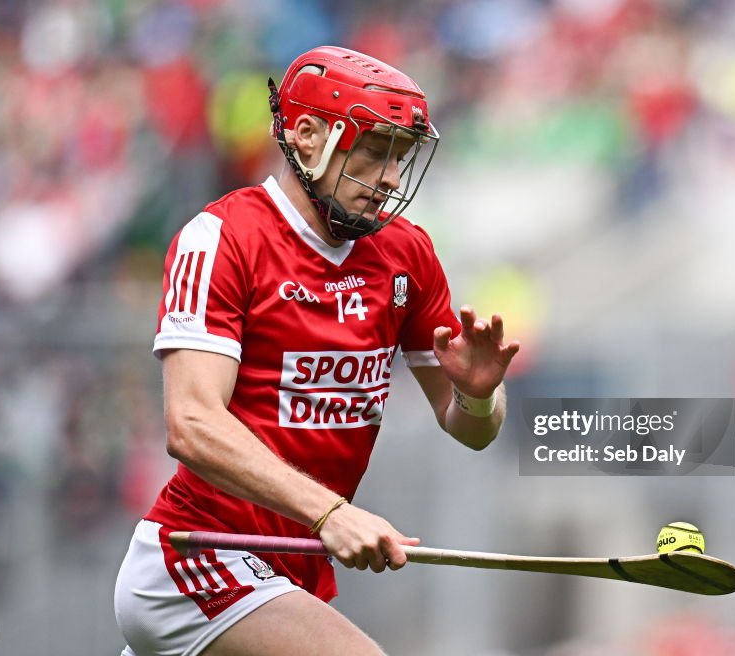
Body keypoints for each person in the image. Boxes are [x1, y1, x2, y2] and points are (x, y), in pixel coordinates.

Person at [114, 45, 520, 656]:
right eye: (375, 150)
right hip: (198, 556)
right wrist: (330, 513)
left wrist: (478, 395)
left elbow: (471, 430)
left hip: (287, 573)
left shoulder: (405, 253)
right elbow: (192, 424)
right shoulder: (224, 238)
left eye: (400, 157)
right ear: (307, 136)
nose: (389, 177)